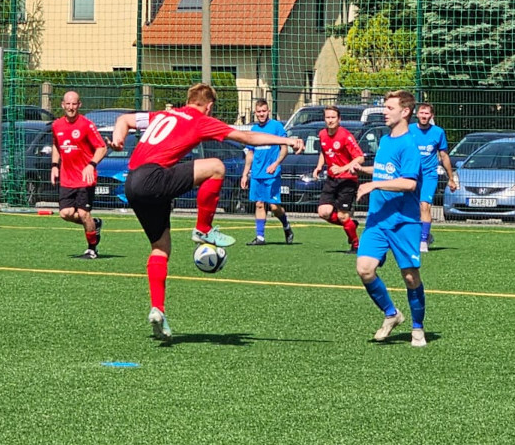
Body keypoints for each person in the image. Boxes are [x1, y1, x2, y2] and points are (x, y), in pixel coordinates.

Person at [111, 84, 303, 341]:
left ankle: (158, 309)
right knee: (216, 167)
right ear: (209, 106)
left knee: (161, 248)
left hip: (132, 181)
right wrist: (287, 140)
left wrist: (118, 137)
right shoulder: (200, 120)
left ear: (188, 99)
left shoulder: (162, 115)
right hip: (154, 178)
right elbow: (247, 138)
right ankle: (203, 228)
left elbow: (123, 119)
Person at [355, 90, 429, 347]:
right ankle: (392, 314)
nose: (384, 111)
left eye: (389, 107)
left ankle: (417, 329)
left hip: (403, 220)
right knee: (364, 269)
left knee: (410, 277)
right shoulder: (385, 140)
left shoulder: (410, 145)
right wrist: (361, 170)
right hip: (378, 219)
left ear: (405, 111)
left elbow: (408, 183)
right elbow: (385, 170)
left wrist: (373, 186)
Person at [50, 91, 110, 258]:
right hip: (67, 178)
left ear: (79, 105)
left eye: (74, 104)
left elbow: (102, 147)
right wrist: (55, 165)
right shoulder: (56, 125)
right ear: (62, 105)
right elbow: (56, 145)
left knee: (84, 213)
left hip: (85, 178)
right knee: (65, 213)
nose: (71, 107)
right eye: (68, 104)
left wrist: (91, 165)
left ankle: (92, 249)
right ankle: (94, 224)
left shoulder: (86, 125)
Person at [240, 99, 296, 246]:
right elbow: (250, 154)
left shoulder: (276, 127)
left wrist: (275, 164)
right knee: (259, 204)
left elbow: (285, 149)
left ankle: (286, 226)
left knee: (273, 206)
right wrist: (245, 174)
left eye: (264, 111)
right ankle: (260, 237)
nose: (261, 114)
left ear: (268, 111)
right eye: (258, 112)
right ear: (255, 113)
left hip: (272, 173)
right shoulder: (253, 130)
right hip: (257, 174)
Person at [311, 105, 364, 252]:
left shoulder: (345, 136)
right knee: (323, 212)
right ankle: (350, 224)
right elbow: (324, 151)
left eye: (333, 117)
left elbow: (360, 158)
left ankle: (356, 244)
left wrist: (342, 168)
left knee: (342, 215)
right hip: (332, 179)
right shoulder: (322, 134)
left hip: (347, 180)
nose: (330, 120)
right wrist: (319, 167)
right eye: (327, 117)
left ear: (339, 119)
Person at [410, 102, 457, 253]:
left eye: (427, 114)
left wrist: (451, 178)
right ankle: (423, 235)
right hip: (411, 175)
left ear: (432, 116)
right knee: (411, 209)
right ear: (417, 114)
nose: (424, 116)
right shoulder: (408, 131)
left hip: (429, 175)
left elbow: (444, 156)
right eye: (421, 113)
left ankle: (423, 241)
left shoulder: (438, 132)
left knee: (425, 206)